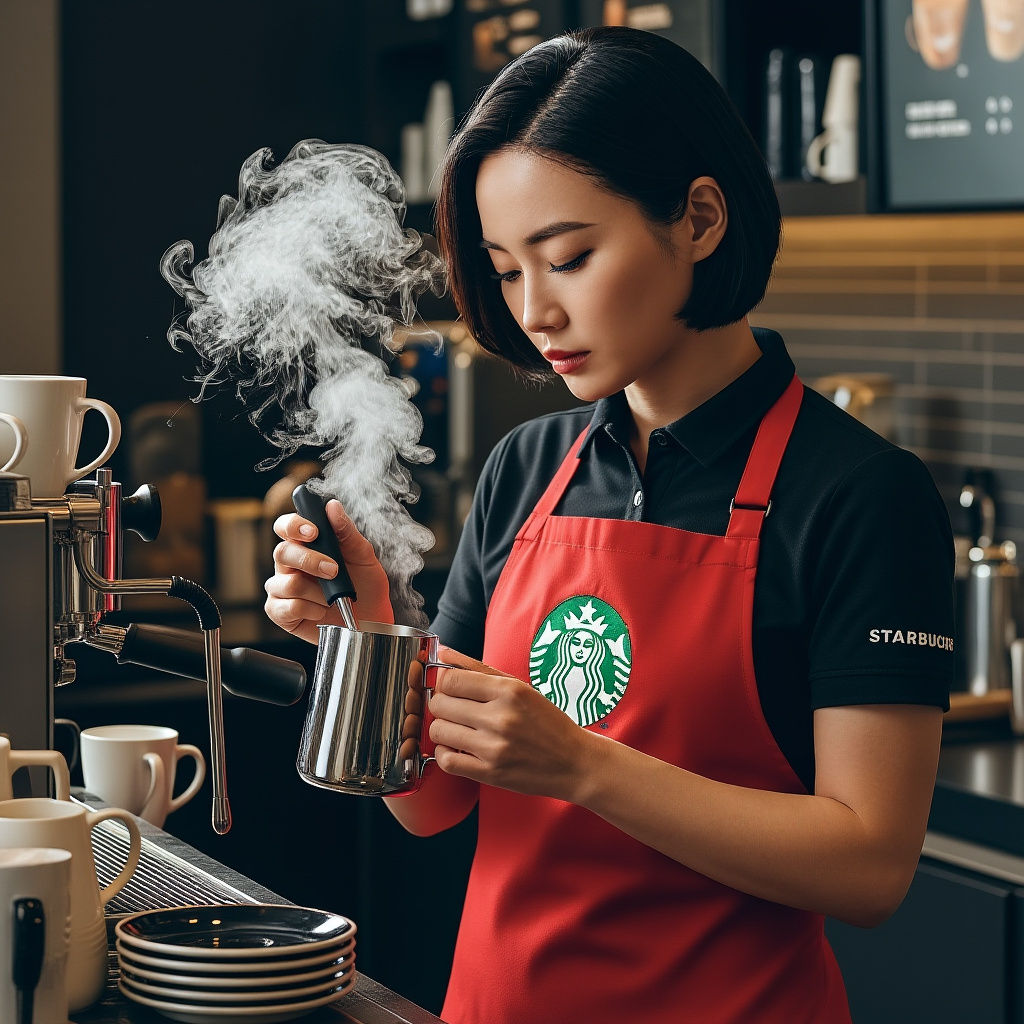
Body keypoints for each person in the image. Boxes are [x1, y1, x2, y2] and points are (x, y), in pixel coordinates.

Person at [264, 26, 955, 1024]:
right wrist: (359, 647)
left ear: (701, 219)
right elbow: (431, 806)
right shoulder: (527, 468)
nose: (534, 309)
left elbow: (867, 865)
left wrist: (582, 765)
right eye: (505, 269)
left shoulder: (860, 494)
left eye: (570, 256)